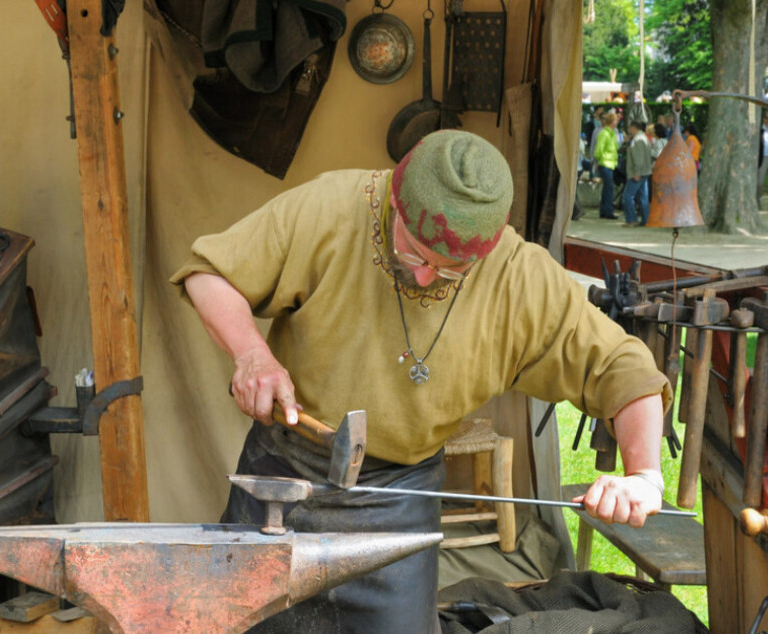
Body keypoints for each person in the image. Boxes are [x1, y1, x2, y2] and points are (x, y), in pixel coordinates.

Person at [171, 130, 669, 633]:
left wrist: (644, 475)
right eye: (413, 254)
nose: (427, 277)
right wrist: (252, 354)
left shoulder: (519, 279)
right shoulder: (333, 207)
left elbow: (626, 370)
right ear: (395, 200)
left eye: (450, 269)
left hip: (400, 499)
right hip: (283, 478)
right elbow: (211, 274)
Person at [622, 121, 652, 227]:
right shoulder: (645, 138)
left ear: (633, 128)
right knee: (643, 197)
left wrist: (637, 172)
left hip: (638, 172)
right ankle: (646, 219)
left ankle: (631, 219)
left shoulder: (637, 140)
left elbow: (638, 159)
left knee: (627, 196)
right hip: (645, 171)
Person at [593, 111, 620, 219]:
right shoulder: (605, 133)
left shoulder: (611, 133)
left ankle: (604, 211)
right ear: (613, 121)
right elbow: (598, 150)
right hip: (606, 163)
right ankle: (608, 211)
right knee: (609, 189)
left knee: (607, 188)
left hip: (610, 164)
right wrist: (600, 160)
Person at [757, 112, 768, 201]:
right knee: (760, 180)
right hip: (763, 157)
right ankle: (758, 199)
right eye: (766, 118)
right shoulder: (760, 131)